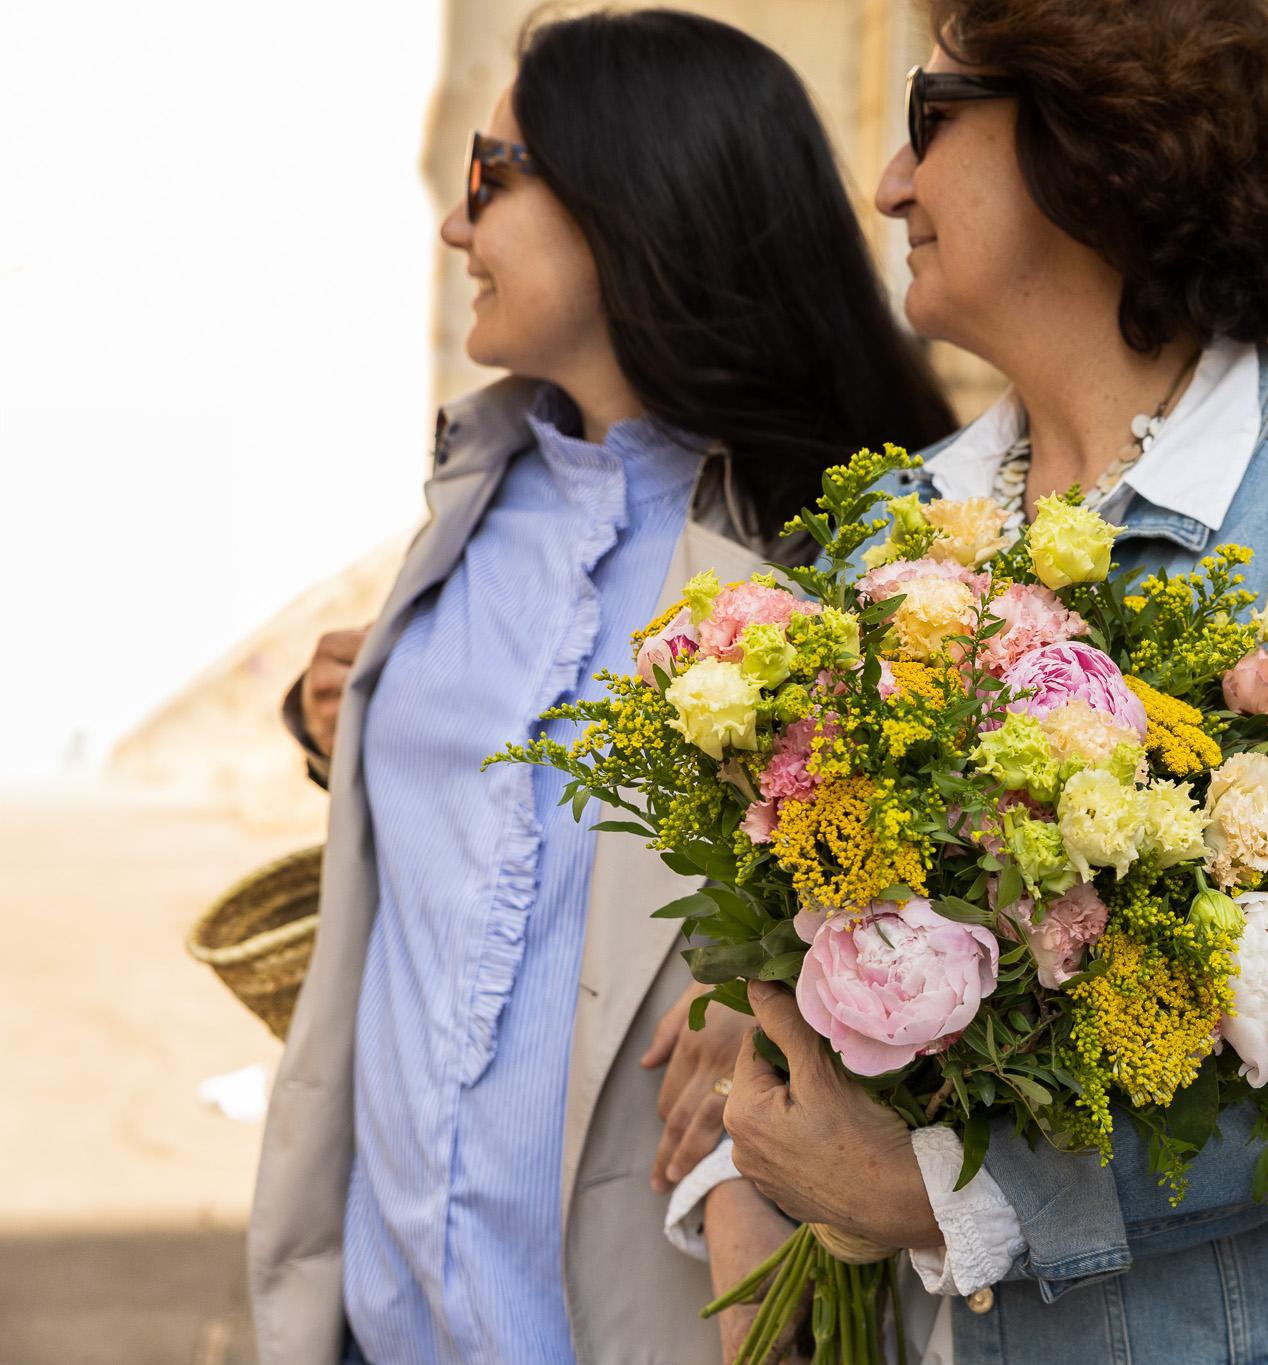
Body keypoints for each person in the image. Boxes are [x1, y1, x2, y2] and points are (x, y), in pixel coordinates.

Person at [715, 1, 1268, 1362]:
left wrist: (945, 1199)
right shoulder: (887, 539)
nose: (888, 184)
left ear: (1092, 139)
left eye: (932, 121)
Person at [250, 10, 954, 1364]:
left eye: (488, 176)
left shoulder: (840, 570)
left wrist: (787, 996)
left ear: (635, 199)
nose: (457, 229)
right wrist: (349, 721)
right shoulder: (467, 498)